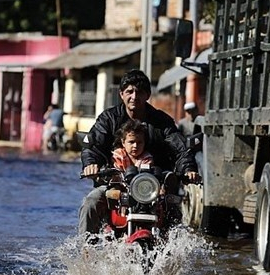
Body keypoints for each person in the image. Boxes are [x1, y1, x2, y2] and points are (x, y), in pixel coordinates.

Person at [79, 69, 200, 235]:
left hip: (154, 185)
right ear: (121, 94)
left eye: (139, 92)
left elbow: (179, 147)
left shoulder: (162, 121)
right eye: (129, 91)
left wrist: (189, 169)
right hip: (115, 182)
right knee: (91, 201)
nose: (134, 96)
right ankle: (85, 250)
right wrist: (91, 164)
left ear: (148, 95)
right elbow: (93, 145)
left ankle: (173, 253)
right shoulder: (108, 119)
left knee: (173, 209)